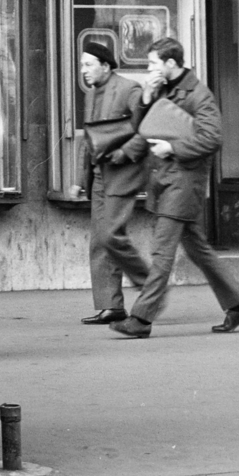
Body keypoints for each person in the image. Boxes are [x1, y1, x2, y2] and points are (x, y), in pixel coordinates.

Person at [110, 38, 239, 339]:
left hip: (184, 182)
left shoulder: (199, 95)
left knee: (162, 251)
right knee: (198, 250)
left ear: (171, 63)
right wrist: (146, 96)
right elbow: (143, 127)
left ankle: (141, 318)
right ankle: (238, 307)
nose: (149, 69)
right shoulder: (163, 89)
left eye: (153, 63)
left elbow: (212, 138)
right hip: (166, 180)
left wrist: (173, 147)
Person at [76, 39, 151, 326]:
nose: (84, 70)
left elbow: (146, 128)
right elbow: (90, 139)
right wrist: (79, 179)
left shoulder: (129, 89)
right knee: (99, 239)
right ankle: (111, 306)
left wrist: (125, 152)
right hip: (99, 175)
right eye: (82, 65)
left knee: (110, 236)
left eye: (88, 65)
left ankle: (150, 287)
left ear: (106, 66)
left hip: (123, 173)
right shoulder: (91, 94)